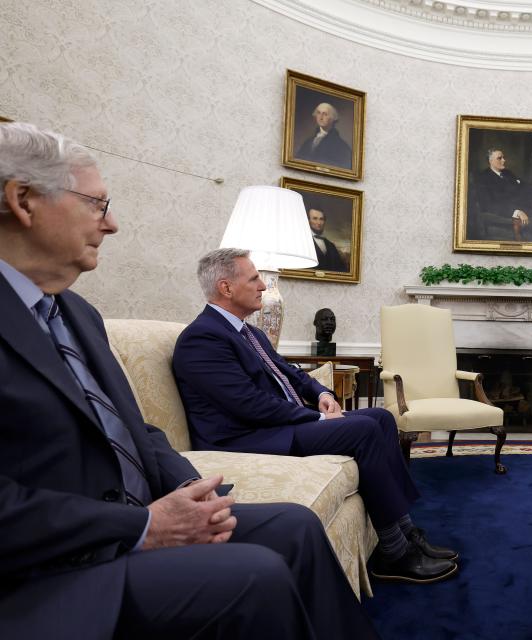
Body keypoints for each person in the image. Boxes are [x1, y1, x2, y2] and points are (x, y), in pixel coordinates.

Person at [0, 122, 378, 639]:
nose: (111, 226)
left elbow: (138, 432)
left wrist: (188, 492)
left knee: (295, 525)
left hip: (138, 515)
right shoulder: (200, 338)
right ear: (23, 201)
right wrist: (145, 528)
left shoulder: (77, 313)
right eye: (97, 205)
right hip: (53, 566)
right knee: (256, 574)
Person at [172, 248, 459, 584]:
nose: (262, 285)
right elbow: (247, 405)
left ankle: (407, 533)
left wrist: (322, 394)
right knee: (364, 430)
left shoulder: (250, 333)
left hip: (273, 426)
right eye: (253, 278)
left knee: (381, 419)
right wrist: (319, 421)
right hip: (244, 438)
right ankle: (394, 553)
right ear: (226, 288)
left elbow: (292, 374)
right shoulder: (202, 338)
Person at [474, 148, 532, 242]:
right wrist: (516, 212)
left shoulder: (507, 173)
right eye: (500, 158)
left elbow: (524, 187)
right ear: (490, 161)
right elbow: (488, 205)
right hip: (509, 217)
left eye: (503, 157)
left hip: (527, 210)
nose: (504, 160)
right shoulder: (483, 179)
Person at [296, 102, 352, 169]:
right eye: (318, 113)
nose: (321, 117)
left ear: (332, 118)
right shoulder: (308, 142)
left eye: (325, 114)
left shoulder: (341, 145)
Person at [307, 207, 347, 272]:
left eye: (321, 219)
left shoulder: (331, 246)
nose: (319, 222)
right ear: (308, 220)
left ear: (324, 221)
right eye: (315, 218)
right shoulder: (303, 242)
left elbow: (342, 269)